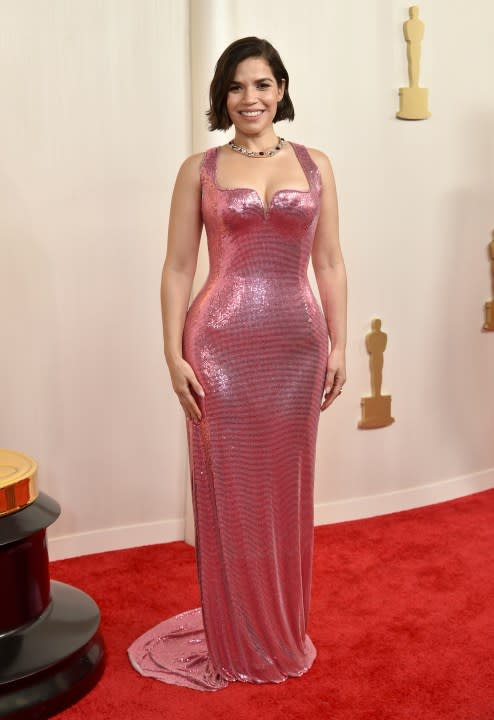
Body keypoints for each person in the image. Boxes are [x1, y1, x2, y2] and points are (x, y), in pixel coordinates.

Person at [128, 36, 347, 691]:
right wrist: (172, 353)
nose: (250, 98)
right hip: (219, 347)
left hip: (297, 347)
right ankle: (236, 638)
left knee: (285, 492)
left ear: (281, 89)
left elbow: (330, 261)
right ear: (221, 96)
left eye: (262, 84)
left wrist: (338, 342)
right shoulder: (199, 169)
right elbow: (176, 266)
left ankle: (279, 628)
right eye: (236, 86)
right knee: (230, 497)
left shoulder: (317, 165)